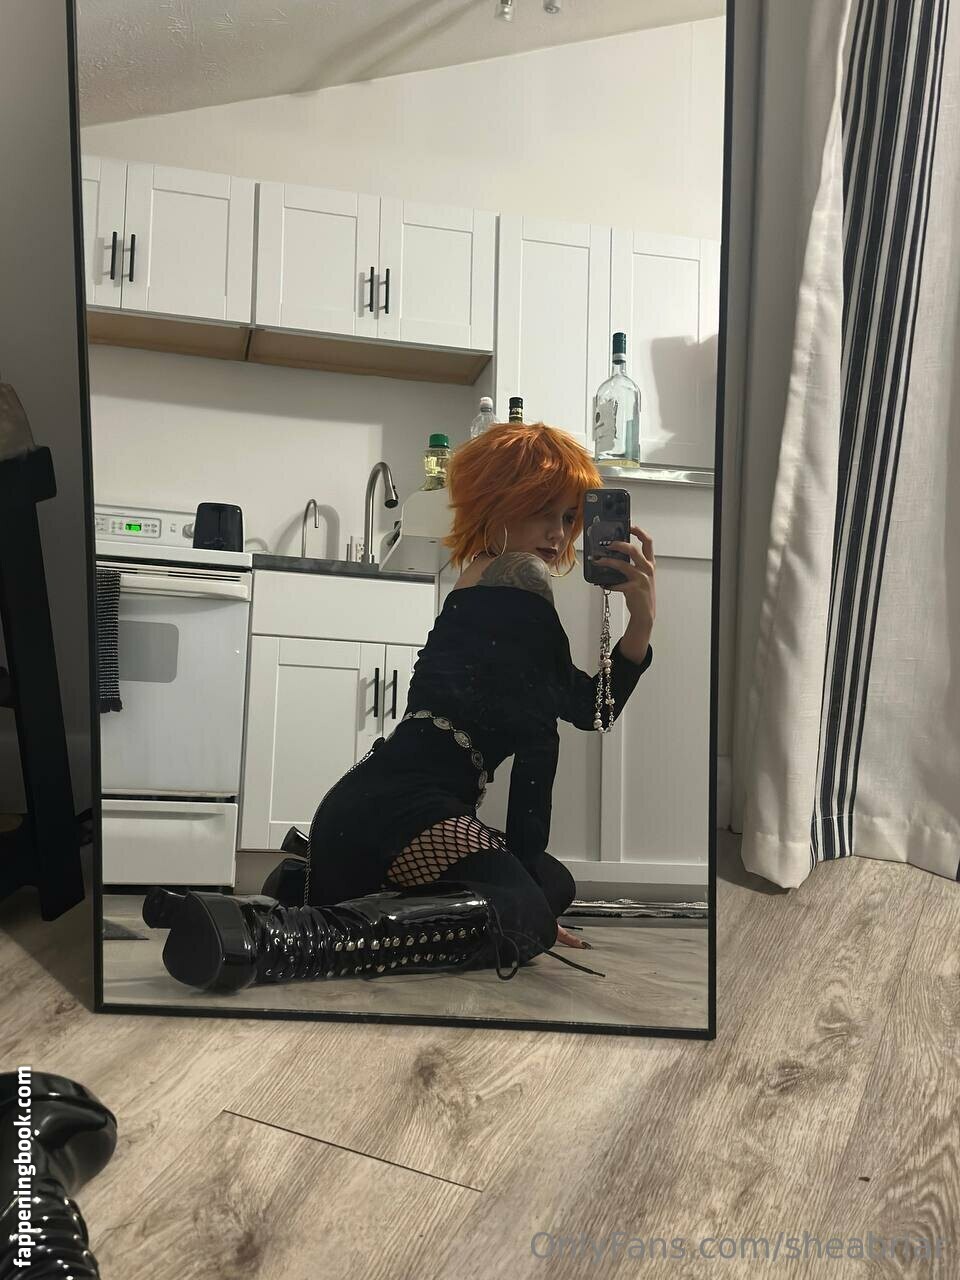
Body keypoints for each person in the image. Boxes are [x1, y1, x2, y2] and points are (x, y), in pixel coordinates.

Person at [146, 422, 656, 993]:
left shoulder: (494, 578)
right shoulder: (521, 576)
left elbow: (589, 708)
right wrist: (523, 910)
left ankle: (296, 892)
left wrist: (640, 621)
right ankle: (277, 938)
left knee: (554, 884)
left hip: (374, 815)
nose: (559, 534)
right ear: (498, 500)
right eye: (542, 511)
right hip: (400, 813)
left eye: (567, 518)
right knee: (528, 908)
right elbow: (543, 741)